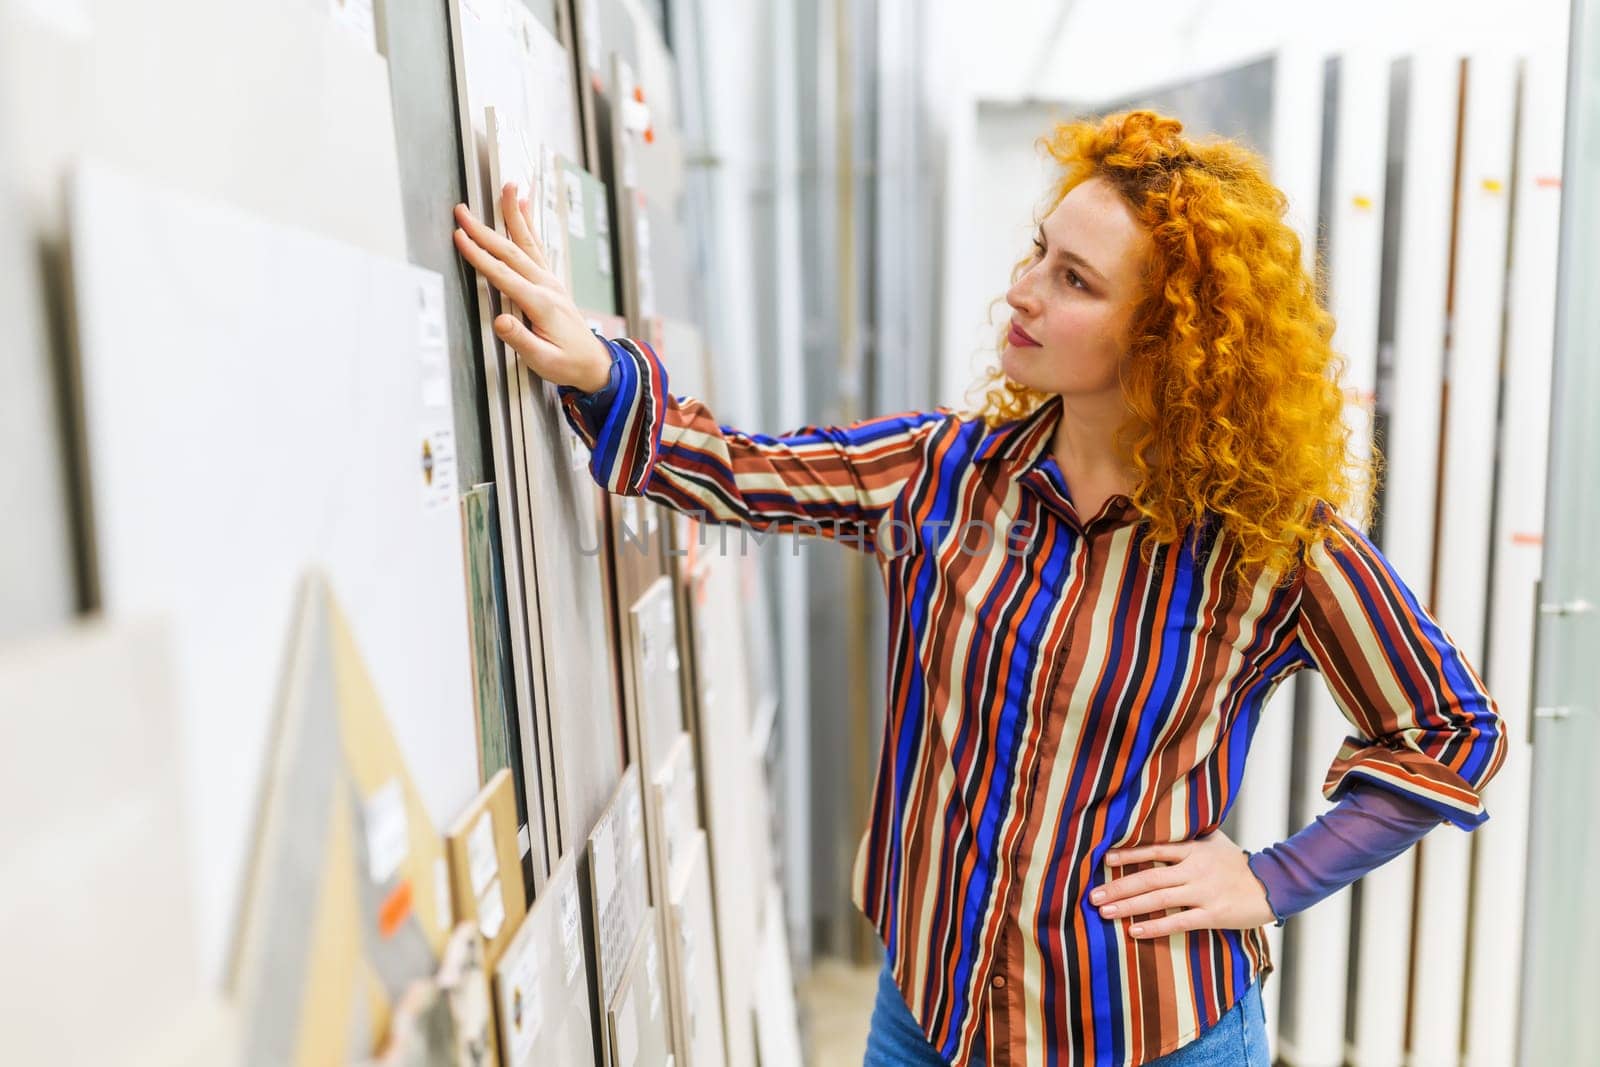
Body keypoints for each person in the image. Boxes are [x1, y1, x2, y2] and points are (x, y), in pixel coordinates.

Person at [452, 108, 1509, 1067]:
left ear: (1168, 342)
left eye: (1074, 280)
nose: (1023, 289)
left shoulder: (1270, 545)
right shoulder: (940, 473)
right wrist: (595, 365)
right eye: (1037, 254)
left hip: (1146, 1031)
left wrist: (1270, 879)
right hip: (928, 1014)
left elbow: (1451, 728)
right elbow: (734, 469)